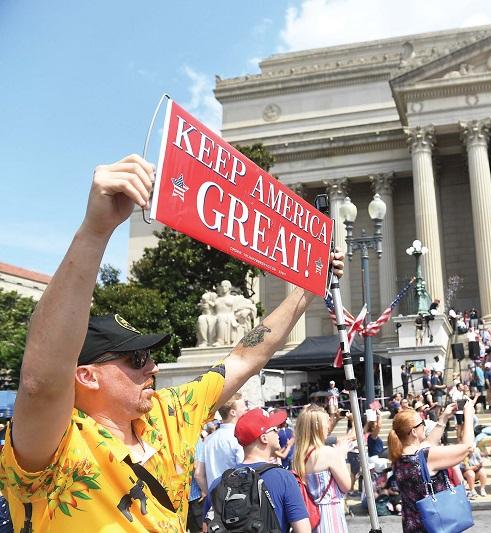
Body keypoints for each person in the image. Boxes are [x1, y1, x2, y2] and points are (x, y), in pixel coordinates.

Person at [0, 154, 344, 531]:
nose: (153, 367)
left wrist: (308, 288)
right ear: (86, 375)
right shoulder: (54, 443)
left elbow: (245, 357)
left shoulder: (168, 414)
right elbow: (40, 382)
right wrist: (95, 232)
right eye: (136, 358)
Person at [205, 408, 311, 533]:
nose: (277, 432)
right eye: (274, 429)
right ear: (264, 438)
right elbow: (303, 530)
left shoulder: (218, 484)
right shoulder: (284, 478)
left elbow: (206, 527)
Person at [390, 400, 473, 532]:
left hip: (413, 527)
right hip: (436, 527)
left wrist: (443, 418)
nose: (424, 425)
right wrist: (468, 416)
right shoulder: (425, 457)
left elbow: (429, 442)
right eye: (422, 423)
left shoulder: (398, 457)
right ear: (413, 432)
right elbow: (468, 448)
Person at [293, 405, 351, 533]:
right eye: (327, 422)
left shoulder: (299, 455)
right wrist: (341, 454)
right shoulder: (328, 453)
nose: (329, 426)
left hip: (310, 516)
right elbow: (346, 485)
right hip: (329, 515)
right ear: (318, 426)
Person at [198, 393, 247, 495]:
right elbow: (244, 472)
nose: (246, 409)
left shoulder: (208, 440)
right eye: (243, 407)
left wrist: (210, 496)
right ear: (233, 412)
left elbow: (198, 474)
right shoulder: (238, 437)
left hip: (215, 499)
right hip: (236, 499)